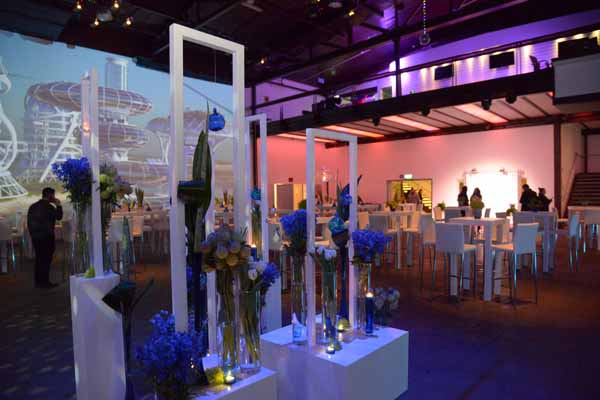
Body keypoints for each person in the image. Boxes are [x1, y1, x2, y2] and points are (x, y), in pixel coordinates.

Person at [27, 187, 62, 288]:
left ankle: (38, 282)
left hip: (35, 237)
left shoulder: (33, 206)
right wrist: (58, 205)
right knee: (46, 260)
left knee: (39, 259)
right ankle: (45, 282)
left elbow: (29, 223)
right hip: (47, 237)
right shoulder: (49, 207)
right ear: (50, 195)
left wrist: (33, 235)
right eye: (53, 195)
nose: (54, 197)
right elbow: (59, 217)